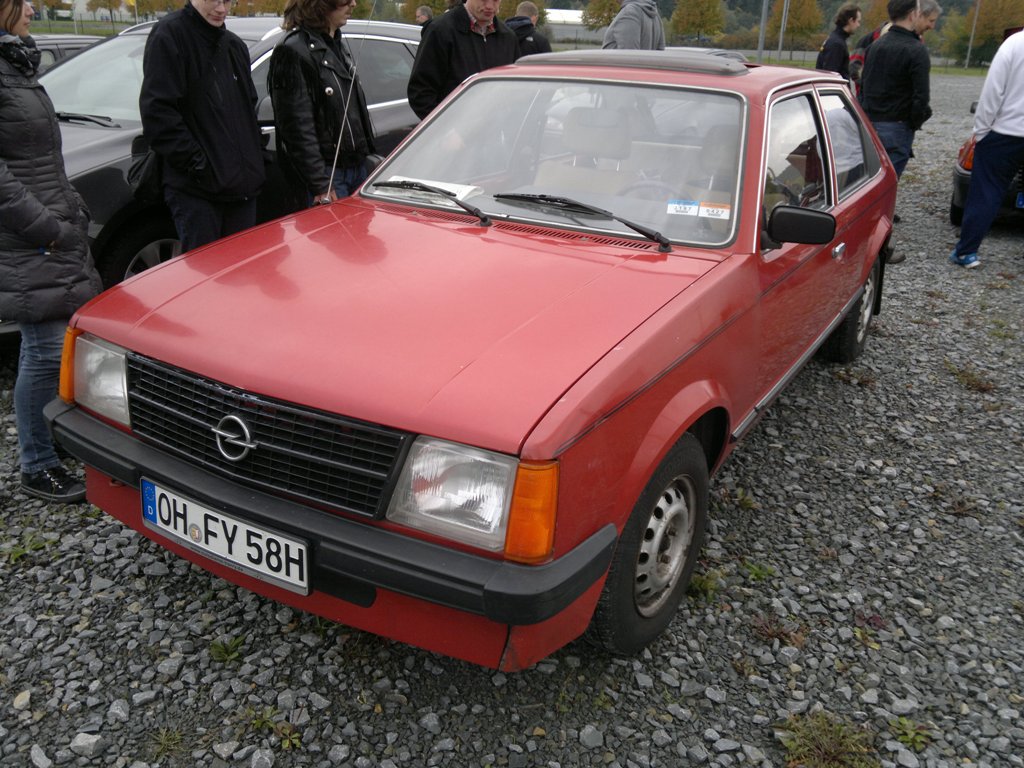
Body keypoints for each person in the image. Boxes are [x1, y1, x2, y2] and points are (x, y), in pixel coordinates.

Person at [0, 0, 102, 503]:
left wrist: (72, 208)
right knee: (43, 351)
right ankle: (36, 464)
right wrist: (45, 227)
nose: (34, 6)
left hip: (50, 228)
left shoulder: (15, 65)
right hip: (26, 237)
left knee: (44, 347)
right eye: (23, 0)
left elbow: (42, 155)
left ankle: (46, 444)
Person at [140, 0, 266, 252]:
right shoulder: (170, 36)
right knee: (205, 279)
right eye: (214, 0)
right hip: (197, 192)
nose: (221, 9)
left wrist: (254, 159)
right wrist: (199, 165)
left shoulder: (234, 46)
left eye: (228, 1)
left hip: (242, 191)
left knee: (241, 276)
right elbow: (158, 114)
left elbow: (247, 110)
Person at [269, 0, 376, 208]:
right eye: (345, 0)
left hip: (357, 169)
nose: (353, 4)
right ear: (320, 4)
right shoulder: (293, 50)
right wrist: (319, 184)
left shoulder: (336, 43)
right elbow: (298, 128)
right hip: (329, 176)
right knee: (336, 239)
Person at [949, 29, 1024, 269]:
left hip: (1006, 131)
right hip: (1008, 130)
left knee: (987, 191)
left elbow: (993, 91)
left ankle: (967, 251)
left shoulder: (1014, 44)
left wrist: (981, 130)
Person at [860, 0, 941, 179]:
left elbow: (863, 87)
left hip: (869, 126)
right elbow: (921, 98)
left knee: (867, 183)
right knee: (886, 186)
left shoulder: (874, 46)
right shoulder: (916, 50)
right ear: (913, 15)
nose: (931, 26)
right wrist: (913, 122)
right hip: (897, 128)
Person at [407, 0, 518, 121]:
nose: (490, 6)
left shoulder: (508, 38)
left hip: (495, 131)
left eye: (496, 0)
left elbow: (515, 91)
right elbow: (421, 93)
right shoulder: (440, 31)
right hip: (453, 132)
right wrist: (448, 130)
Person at [815, 3, 862, 79]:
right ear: (851, 21)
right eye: (858, 21)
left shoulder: (835, 39)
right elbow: (831, 77)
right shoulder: (837, 44)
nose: (858, 25)